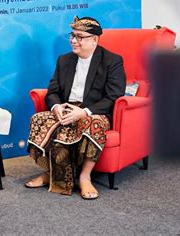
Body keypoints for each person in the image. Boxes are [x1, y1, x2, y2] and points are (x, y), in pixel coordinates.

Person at [26, 16, 126, 199]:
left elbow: (114, 96)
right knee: (38, 119)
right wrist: (56, 106)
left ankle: (85, 177)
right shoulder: (64, 60)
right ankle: (50, 173)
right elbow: (53, 90)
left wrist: (84, 112)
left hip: (93, 111)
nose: (73, 40)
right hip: (66, 108)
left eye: (79, 37)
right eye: (72, 35)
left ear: (94, 39)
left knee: (92, 124)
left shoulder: (112, 61)